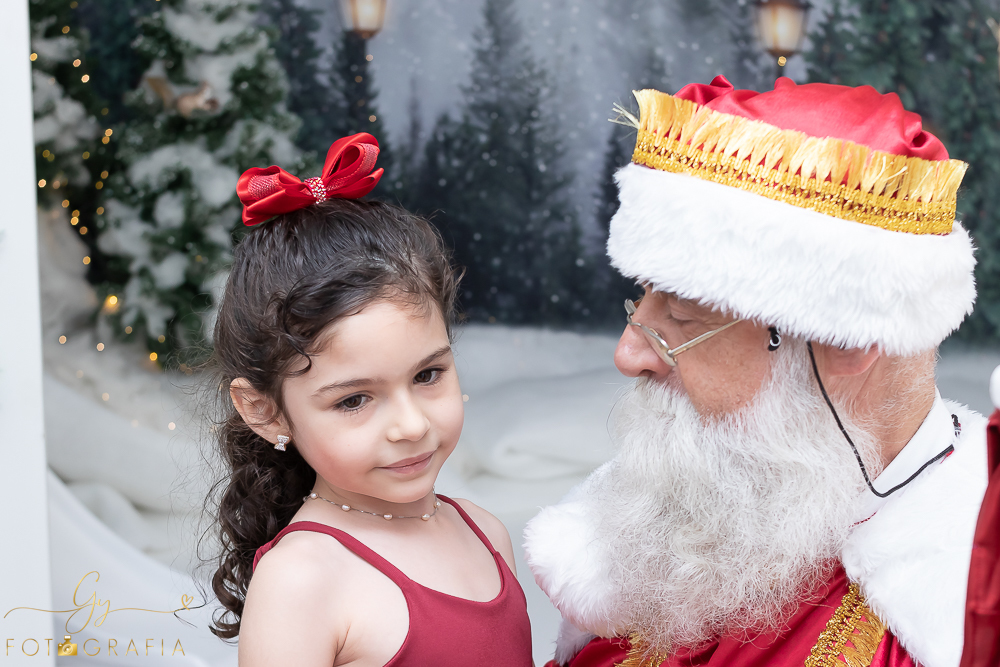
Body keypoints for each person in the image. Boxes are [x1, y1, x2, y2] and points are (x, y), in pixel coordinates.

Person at [524, 76, 985, 667]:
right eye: (641, 301)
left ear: (845, 342)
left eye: (682, 318)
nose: (629, 354)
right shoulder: (688, 499)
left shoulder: (958, 614)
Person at [205, 133, 532, 667]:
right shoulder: (302, 580)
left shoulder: (486, 532)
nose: (410, 425)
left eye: (428, 374)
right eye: (354, 401)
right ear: (264, 411)